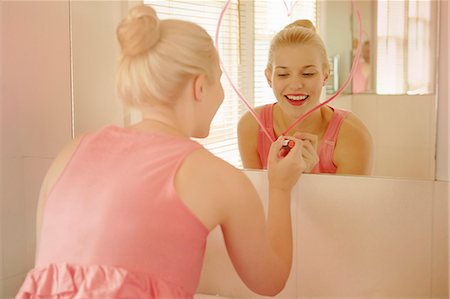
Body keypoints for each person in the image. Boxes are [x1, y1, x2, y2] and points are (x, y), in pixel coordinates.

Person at [15, 5, 314, 299]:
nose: (222, 94)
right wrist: (279, 187)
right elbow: (270, 280)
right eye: (219, 80)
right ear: (199, 87)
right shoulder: (217, 178)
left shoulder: (70, 153)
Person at [238, 20, 373, 175]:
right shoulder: (252, 126)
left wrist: (307, 180)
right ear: (269, 78)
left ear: (325, 75)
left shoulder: (352, 135)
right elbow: (255, 198)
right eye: (283, 74)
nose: (295, 85)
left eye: (308, 73)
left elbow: (351, 200)